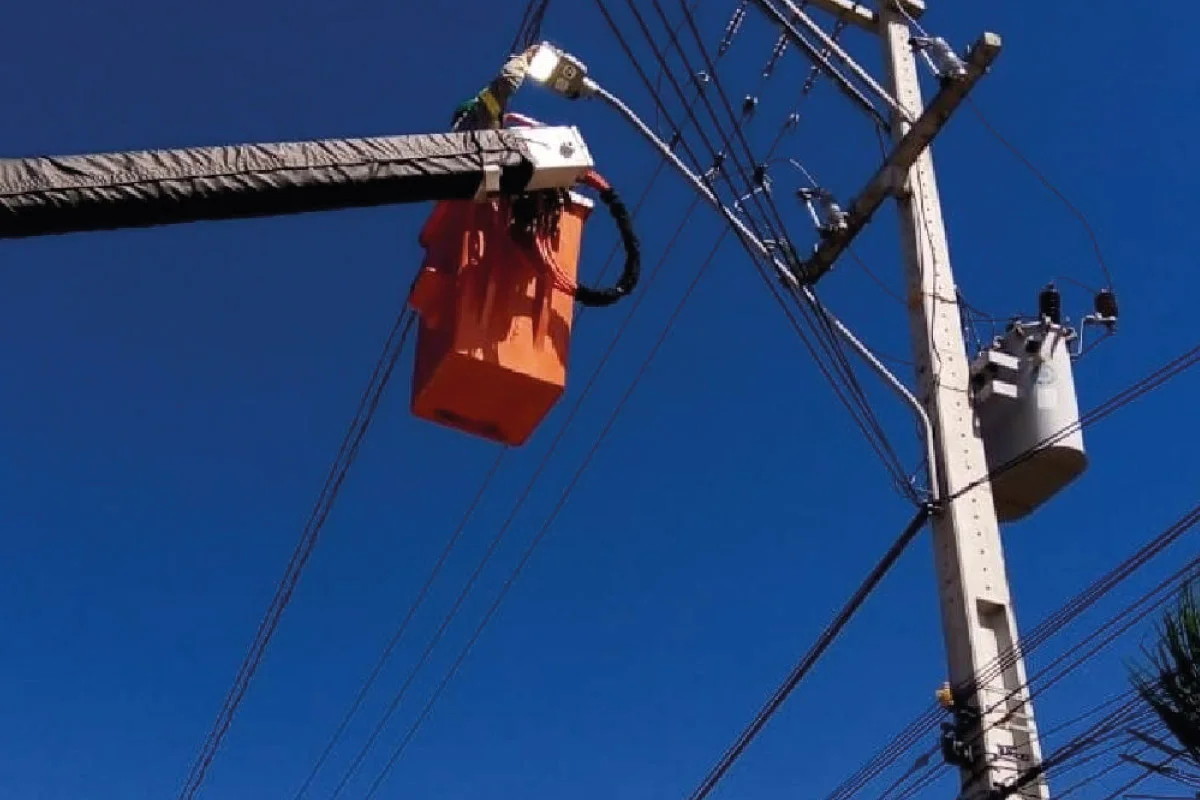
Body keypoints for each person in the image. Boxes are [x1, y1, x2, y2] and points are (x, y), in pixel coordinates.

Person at [451, 45, 541, 132]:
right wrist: (526, 57)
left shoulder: (492, 119)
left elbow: (511, 116)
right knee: (502, 90)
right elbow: (507, 82)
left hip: (480, 117)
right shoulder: (481, 117)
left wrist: (536, 125)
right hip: (475, 120)